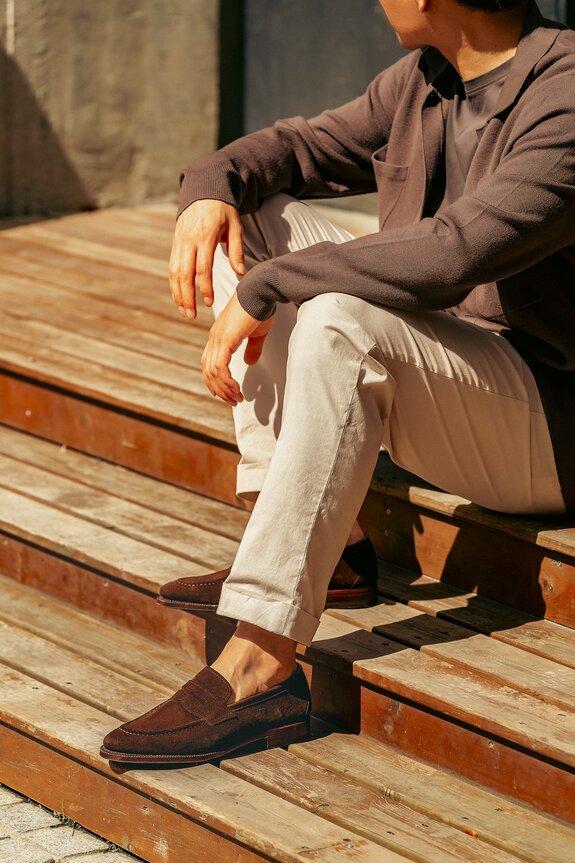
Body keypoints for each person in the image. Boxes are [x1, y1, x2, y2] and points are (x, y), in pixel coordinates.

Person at [100, 0, 575, 765]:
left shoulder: (566, 96)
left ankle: (259, 662)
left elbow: (455, 254)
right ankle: (315, 545)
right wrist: (209, 187)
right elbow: (292, 147)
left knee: (334, 320)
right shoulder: (425, 78)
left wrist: (273, 288)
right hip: (446, 368)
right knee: (250, 219)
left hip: (545, 422)